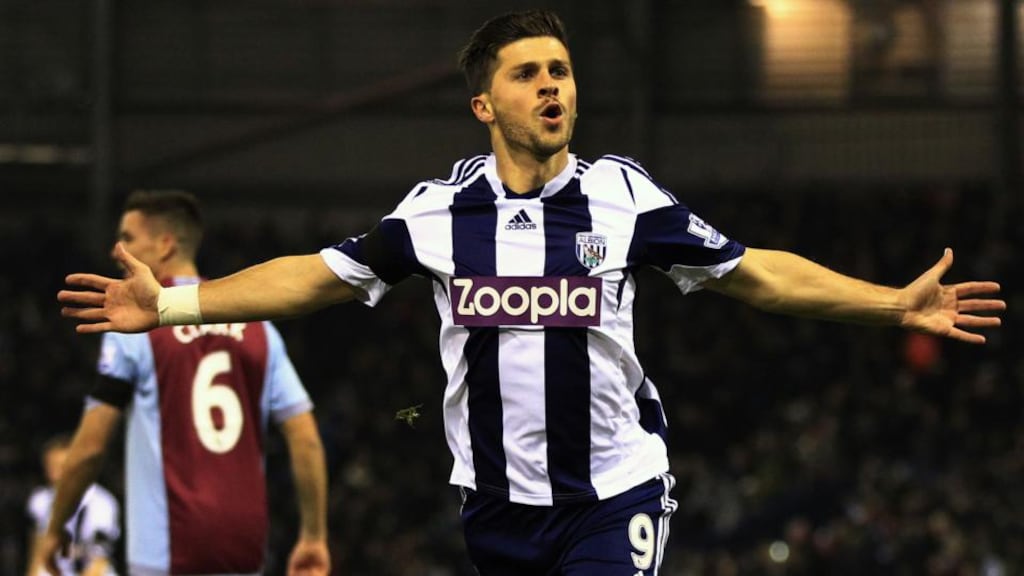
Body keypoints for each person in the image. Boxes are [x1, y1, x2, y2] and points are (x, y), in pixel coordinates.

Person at [58, 10, 1005, 575]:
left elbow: (755, 271)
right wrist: (173, 305)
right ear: (486, 104)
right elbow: (311, 279)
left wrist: (891, 303)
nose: (552, 87)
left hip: (615, 489)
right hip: (493, 510)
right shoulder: (435, 215)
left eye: (561, 70)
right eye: (528, 74)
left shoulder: (624, 197)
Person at [46, 190, 330, 576]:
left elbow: (91, 446)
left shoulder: (137, 324)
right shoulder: (259, 326)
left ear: (165, 244)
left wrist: (56, 524)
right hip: (243, 546)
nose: (118, 249)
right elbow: (306, 437)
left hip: (165, 551)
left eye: (128, 238)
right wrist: (313, 535)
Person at [25, 434, 120, 576]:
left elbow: (98, 565)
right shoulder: (39, 501)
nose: (55, 475)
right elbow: (38, 552)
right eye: (50, 467)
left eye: (61, 467)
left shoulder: (102, 505)